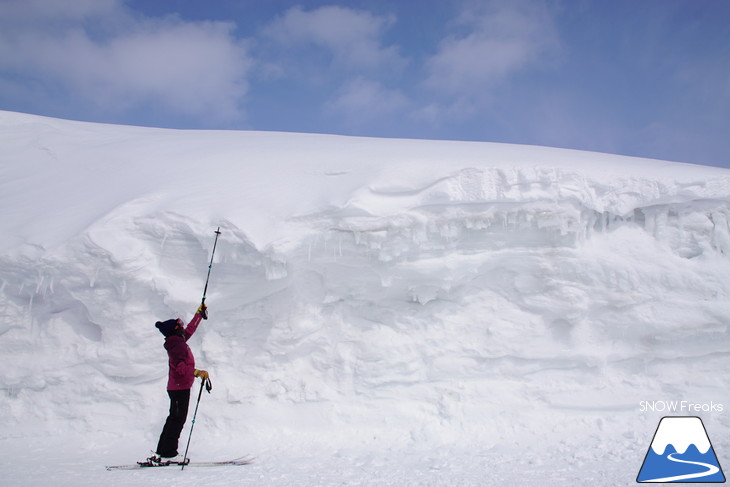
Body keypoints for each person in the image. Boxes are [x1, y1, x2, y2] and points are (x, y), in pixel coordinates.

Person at [147, 302, 209, 465]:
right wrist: (197, 372)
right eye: (179, 325)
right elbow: (181, 368)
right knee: (177, 420)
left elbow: (189, 330)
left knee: (173, 419)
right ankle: (169, 453)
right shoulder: (178, 346)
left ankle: (162, 452)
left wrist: (198, 315)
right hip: (179, 388)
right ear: (175, 329)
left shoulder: (176, 341)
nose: (182, 327)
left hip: (178, 388)